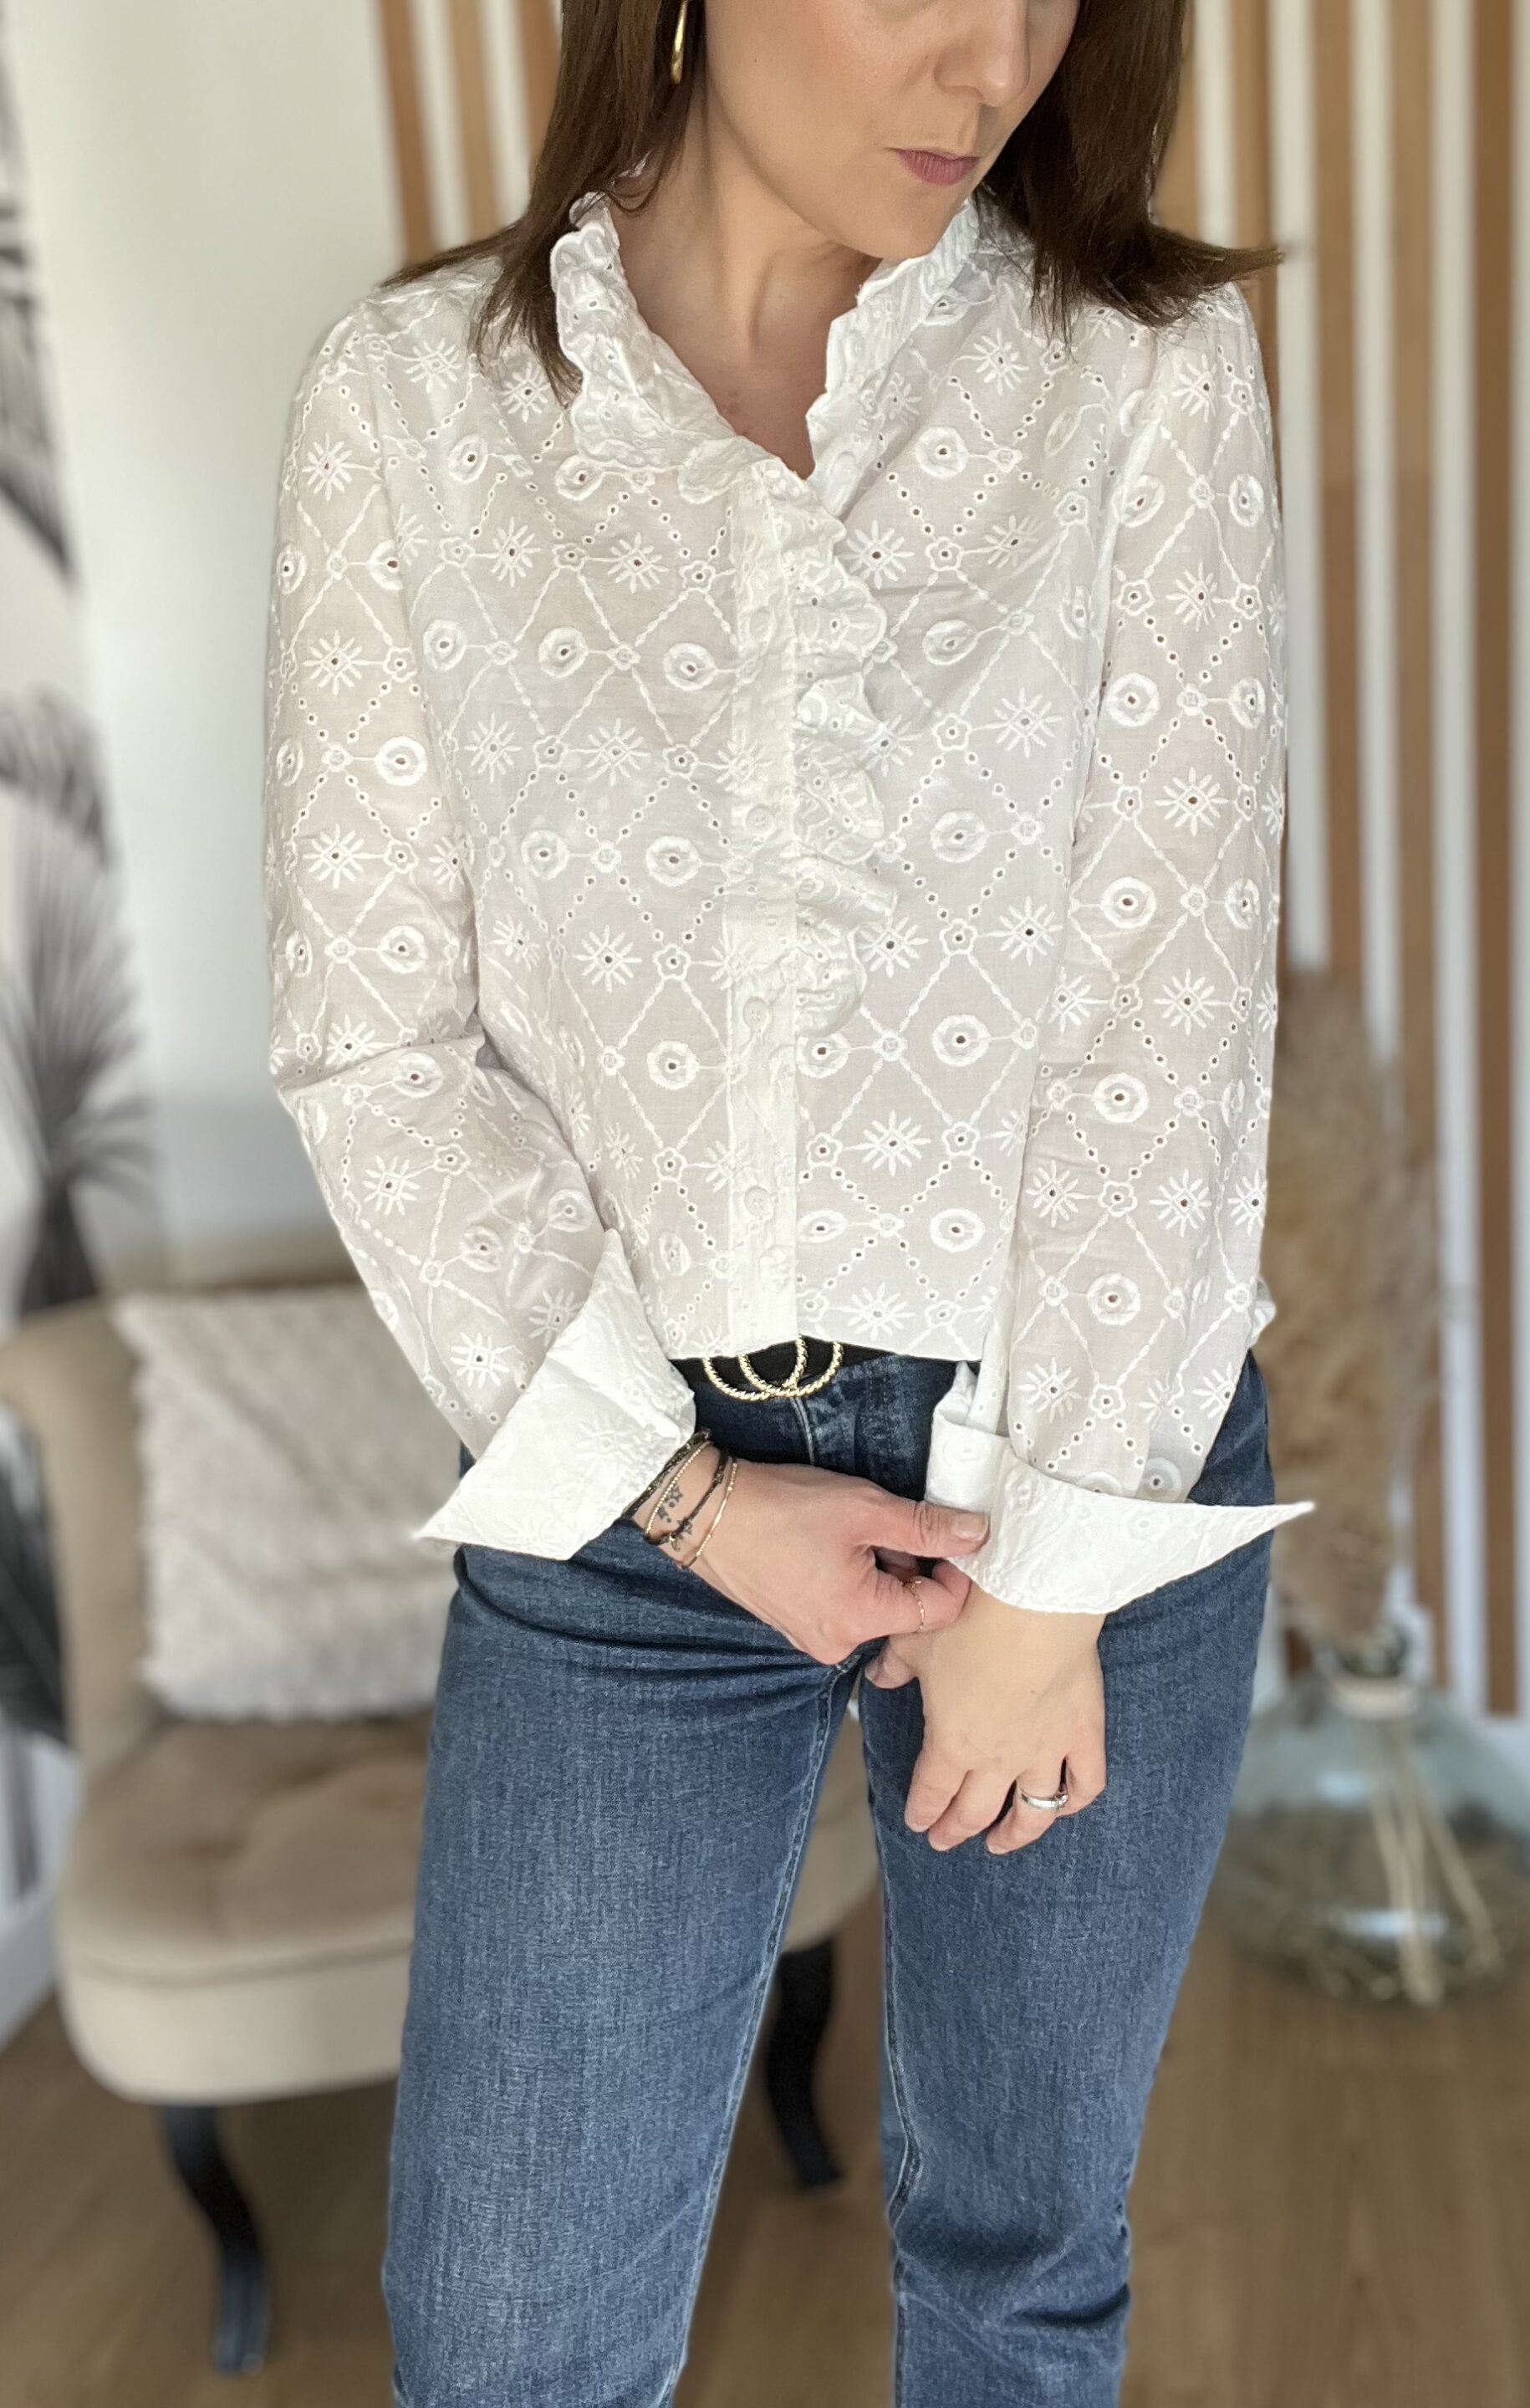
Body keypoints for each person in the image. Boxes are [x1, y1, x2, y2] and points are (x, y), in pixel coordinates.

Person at [261, 1, 1314, 2399]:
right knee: (508, 2343)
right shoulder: (418, 404)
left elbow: (1163, 1017)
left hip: (1075, 1468)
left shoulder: (1142, 377)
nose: (990, 61)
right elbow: (374, 1042)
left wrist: (1052, 1572)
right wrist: (683, 1494)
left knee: (1020, 2258)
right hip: (623, 1493)